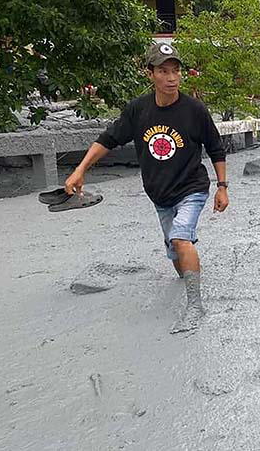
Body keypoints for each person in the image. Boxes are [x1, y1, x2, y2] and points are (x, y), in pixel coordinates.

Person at [64, 42, 229, 334]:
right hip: (159, 194)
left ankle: (195, 306)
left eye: (176, 71)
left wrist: (222, 187)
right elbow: (108, 139)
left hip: (192, 187)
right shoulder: (138, 110)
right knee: (177, 255)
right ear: (149, 73)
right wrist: (80, 170)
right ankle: (187, 263)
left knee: (180, 238)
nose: (171, 78)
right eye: (163, 71)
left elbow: (216, 148)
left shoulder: (195, 110)